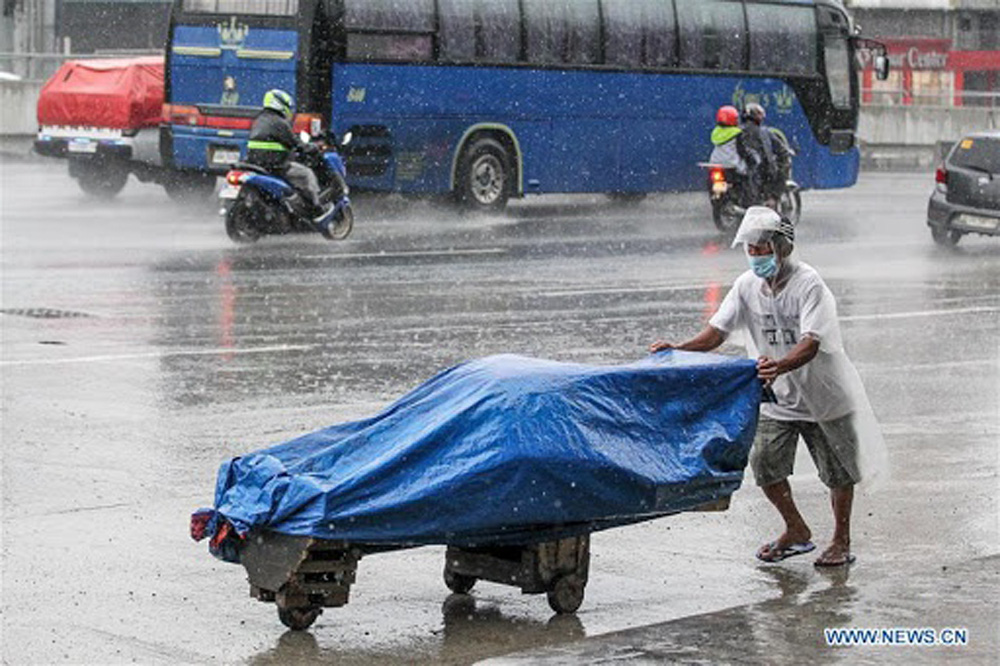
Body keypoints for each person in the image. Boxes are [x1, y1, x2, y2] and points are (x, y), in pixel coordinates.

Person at [649, 206, 885, 568]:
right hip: (778, 398)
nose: (756, 256)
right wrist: (679, 348)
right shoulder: (746, 287)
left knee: (838, 473)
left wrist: (781, 364)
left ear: (783, 247)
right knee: (765, 466)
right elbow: (717, 332)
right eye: (751, 249)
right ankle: (796, 530)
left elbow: (812, 341)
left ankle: (840, 540)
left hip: (825, 397)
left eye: (763, 248)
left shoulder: (809, 284)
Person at [246, 89, 330, 221]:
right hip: (275, 165)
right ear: (279, 104)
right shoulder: (280, 123)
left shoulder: (259, 120)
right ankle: (316, 209)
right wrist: (313, 148)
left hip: (255, 163)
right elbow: (296, 143)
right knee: (307, 174)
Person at [709, 105, 760, 206]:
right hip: (731, 164)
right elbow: (742, 151)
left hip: (715, 162)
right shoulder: (737, 133)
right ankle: (748, 204)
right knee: (746, 179)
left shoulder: (716, 132)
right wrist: (752, 159)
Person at [743, 102, 791, 208]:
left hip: (743, 169)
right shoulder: (764, 131)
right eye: (758, 113)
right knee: (780, 173)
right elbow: (779, 149)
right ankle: (772, 199)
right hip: (760, 170)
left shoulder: (738, 130)